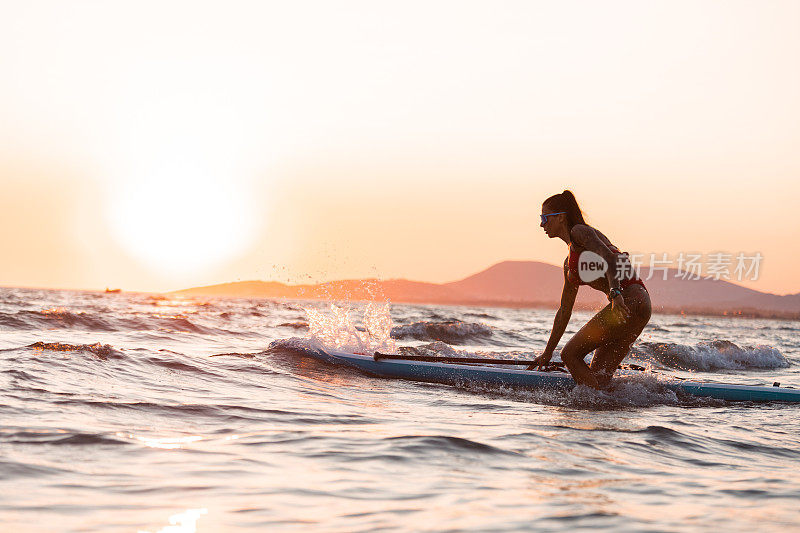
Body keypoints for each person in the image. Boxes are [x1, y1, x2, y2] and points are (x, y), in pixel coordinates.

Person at [528, 190, 651, 388]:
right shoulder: (569, 264)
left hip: (627, 300)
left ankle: (596, 403)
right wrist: (548, 352)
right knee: (599, 377)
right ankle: (610, 408)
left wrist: (615, 293)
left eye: (545, 218)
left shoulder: (580, 232)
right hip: (638, 304)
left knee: (569, 354)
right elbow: (564, 312)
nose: (541, 224)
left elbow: (610, 258)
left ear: (560, 217)